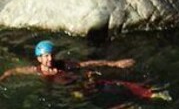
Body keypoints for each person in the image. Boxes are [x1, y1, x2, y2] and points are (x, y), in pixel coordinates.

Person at [0, 40, 169, 102]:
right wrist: (3, 77)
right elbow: (13, 71)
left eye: (51, 55)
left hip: (80, 83)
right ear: (39, 58)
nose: (49, 59)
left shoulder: (63, 65)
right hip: (70, 92)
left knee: (110, 84)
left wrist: (115, 64)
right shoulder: (36, 70)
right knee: (85, 97)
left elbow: (86, 63)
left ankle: (151, 93)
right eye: (45, 56)